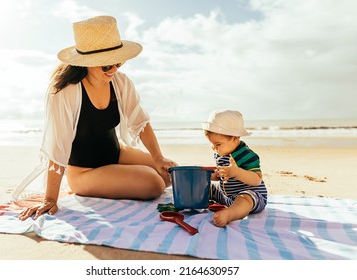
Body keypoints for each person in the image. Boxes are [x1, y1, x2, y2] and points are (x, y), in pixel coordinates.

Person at [18, 15, 176, 221]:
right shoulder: (65, 92)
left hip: (117, 154)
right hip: (84, 172)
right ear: (87, 63)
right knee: (153, 184)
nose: (114, 70)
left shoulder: (120, 82)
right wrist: (50, 198)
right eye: (106, 66)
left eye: (118, 63)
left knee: (170, 174)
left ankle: (119, 174)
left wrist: (158, 157)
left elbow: (140, 122)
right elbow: (58, 148)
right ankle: (116, 177)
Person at [201, 109, 267, 227]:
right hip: (227, 196)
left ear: (235, 138)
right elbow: (221, 175)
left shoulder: (246, 155)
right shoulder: (221, 153)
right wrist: (208, 175)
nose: (214, 148)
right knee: (206, 187)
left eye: (218, 144)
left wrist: (237, 172)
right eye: (212, 144)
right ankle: (193, 202)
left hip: (251, 196)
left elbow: (256, 179)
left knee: (245, 198)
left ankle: (230, 214)